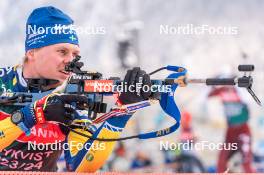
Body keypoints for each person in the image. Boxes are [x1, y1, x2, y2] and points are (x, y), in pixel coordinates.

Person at [0, 6, 152, 172]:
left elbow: (83, 167)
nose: (70, 61)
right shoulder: (3, 82)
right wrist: (33, 115)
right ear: (32, 52)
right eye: (62, 51)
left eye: (75, 54)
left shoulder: (74, 93)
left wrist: (122, 112)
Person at [208, 86, 255, 173]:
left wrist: (237, 87)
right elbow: (208, 95)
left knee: (246, 160)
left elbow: (249, 100)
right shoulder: (222, 91)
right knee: (221, 161)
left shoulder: (240, 91)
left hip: (243, 131)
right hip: (230, 132)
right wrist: (216, 85)